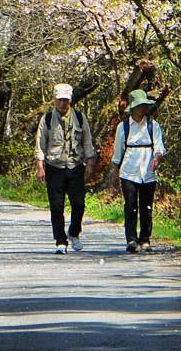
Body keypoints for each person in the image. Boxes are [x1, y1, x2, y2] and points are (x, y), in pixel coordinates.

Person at [34, 83, 96, 254]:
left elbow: (87, 141)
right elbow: (40, 144)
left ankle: (74, 233)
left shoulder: (79, 117)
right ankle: (60, 240)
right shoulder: (47, 119)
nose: (63, 104)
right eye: (60, 100)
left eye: (66, 100)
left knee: (79, 203)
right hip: (54, 166)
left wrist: (90, 163)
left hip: (75, 165)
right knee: (56, 205)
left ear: (70, 100)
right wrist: (40, 166)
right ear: (54, 100)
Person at [110, 88, 166, 253]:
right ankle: (131, 239)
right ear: (133, 108)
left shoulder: (153, 125)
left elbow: (159, 146)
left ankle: (145, 238)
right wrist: (115, 171)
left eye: (144, 105)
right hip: (129, 169)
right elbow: (118, 151)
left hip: (148, 170)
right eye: (139, 106)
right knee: (131, 205)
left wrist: (156, 157)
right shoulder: (123, 127)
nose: (142, 109)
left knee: (146, 206)